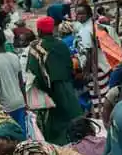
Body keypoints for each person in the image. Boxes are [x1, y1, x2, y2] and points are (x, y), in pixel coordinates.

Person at [27, 17, 82, 145]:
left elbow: (34, 71)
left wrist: (42, 88)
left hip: (49, 89)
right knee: (71, 114)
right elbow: (70, 66)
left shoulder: (36, 47)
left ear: (39, 30)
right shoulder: (61, 44)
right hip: (66, 86)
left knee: (53, 120)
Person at [0, 29, 26, 136]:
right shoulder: (14, 56)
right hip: (19, 102)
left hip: (5, 106)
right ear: (4, 41)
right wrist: (25, 101)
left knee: (8, 137)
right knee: (20, 133)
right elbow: (21, 82)